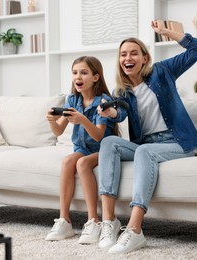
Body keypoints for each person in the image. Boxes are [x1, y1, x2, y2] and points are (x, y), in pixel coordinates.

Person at [96, 21, 197, 254]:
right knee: (109, 143)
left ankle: (135, 229)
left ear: (145, 58)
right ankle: (109, 221)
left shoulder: (163, 71)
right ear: (119, 61)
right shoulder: (122, 92)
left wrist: (169, 33)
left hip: (178, 143)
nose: (128, 57)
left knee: (144, 151)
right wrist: (111, 112)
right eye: (123, 54)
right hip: (146, 144)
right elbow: (122, 113)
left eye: (134, 53)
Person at [45, 56, 116, 244]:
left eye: (84, 72)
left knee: (83, 164)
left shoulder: (103, 101)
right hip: (82, 148)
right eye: (75, 72)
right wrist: (52, 122)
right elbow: (59, 131)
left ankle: (93, 221)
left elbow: (98, 136)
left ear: (95, 77)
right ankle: (64, 220)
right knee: (68, 161)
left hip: (104, 149)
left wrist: (83, 120)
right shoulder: (73, 100)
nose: (78, 76)